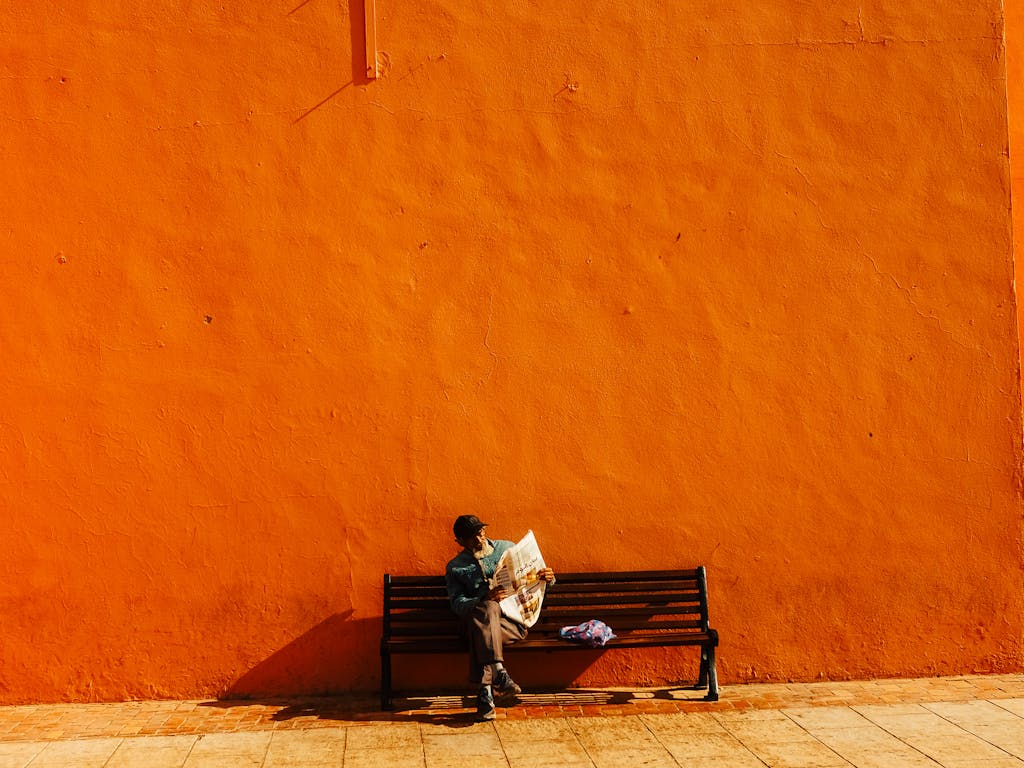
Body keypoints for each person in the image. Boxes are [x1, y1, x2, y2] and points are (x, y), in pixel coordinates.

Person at [444, 515, 556, 720]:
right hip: (476, 620)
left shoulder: (507, 549)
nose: (479, 539)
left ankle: (486, 691)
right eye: (471, 537)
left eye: (480, 533)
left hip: (512, 624)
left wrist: (548, 578)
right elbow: (457, 604)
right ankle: (498, 674)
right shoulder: (455, 567)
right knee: (487, 608)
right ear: (459, 541)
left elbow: (531, 577)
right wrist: (483, 598)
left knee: (480, 636)